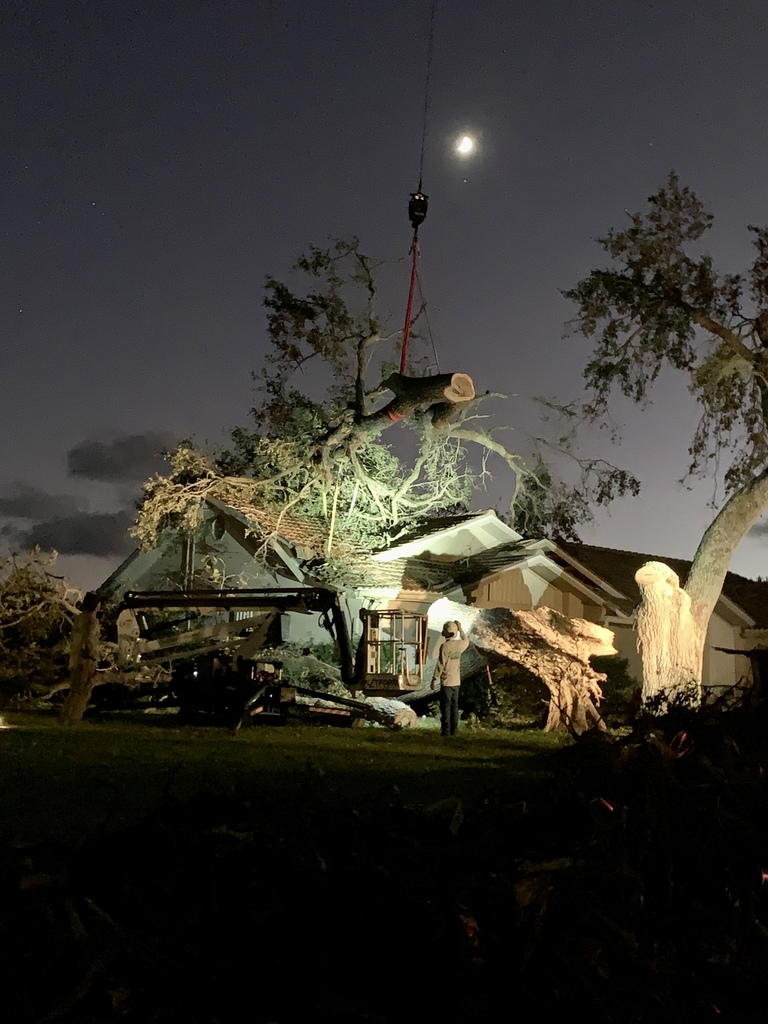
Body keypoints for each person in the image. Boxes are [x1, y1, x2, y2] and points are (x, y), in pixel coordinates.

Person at [60, 591, 101, 724]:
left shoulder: (79, 618)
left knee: (74, 690)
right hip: (86, 659)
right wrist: (94, 654)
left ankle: (65, 716)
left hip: (75, 657)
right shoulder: (92, 620)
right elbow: (89, 638)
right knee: (84, 690)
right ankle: (74, 718)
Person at [431, 620, 469, 736]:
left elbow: (440, 664)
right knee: (455, 706)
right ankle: (454, 729)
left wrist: (434, 679)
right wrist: (461, 628)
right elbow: (466, 640)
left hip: (446, 682)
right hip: (456, 681)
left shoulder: (445, 646)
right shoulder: (460, 645)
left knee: (446, 707)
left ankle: (446, 730)